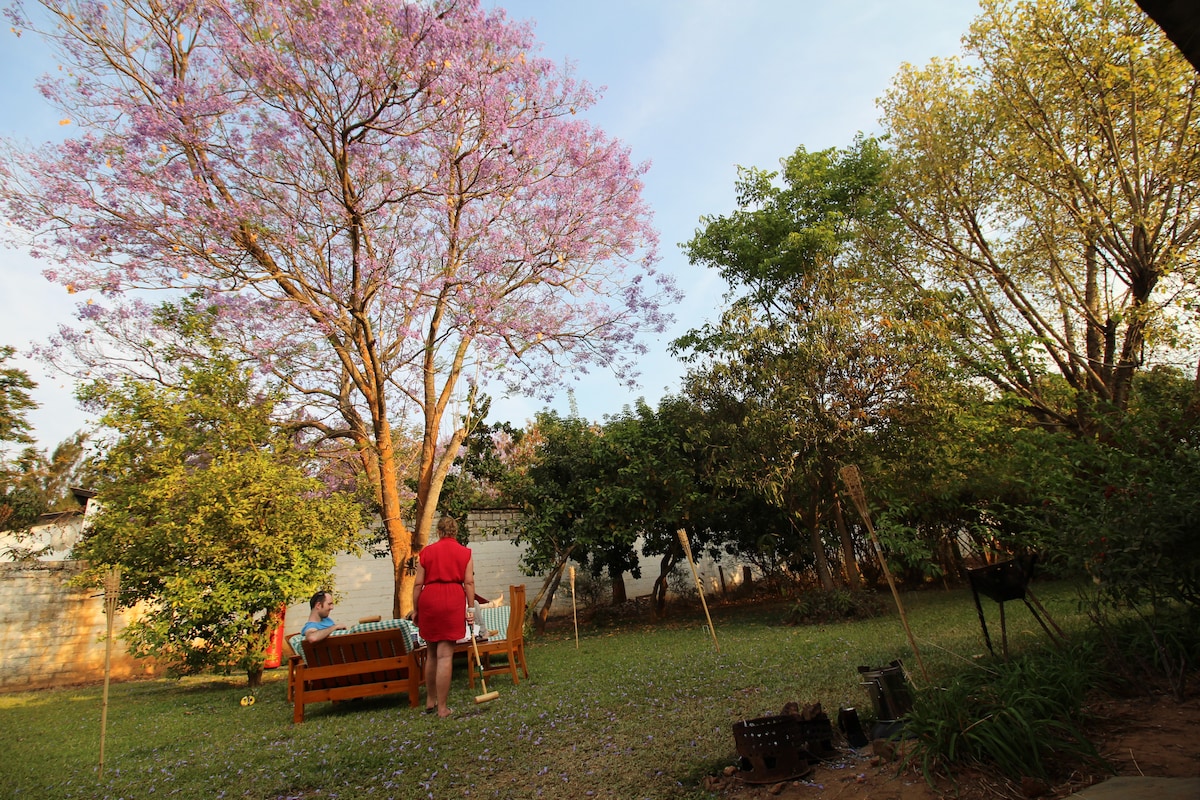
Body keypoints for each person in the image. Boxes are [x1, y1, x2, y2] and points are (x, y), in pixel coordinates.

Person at [412, 516, 475, 718]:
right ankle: (442, 708)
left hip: (429, 599)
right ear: (455, 532)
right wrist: (471, 608)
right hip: (452, 600)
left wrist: (416, 610)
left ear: (438, 532)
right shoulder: (465, 553)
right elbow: (469, 583)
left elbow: (417, 584)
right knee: (445, 655)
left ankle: (430, 700)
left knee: (431, 653)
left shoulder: (426, 553)